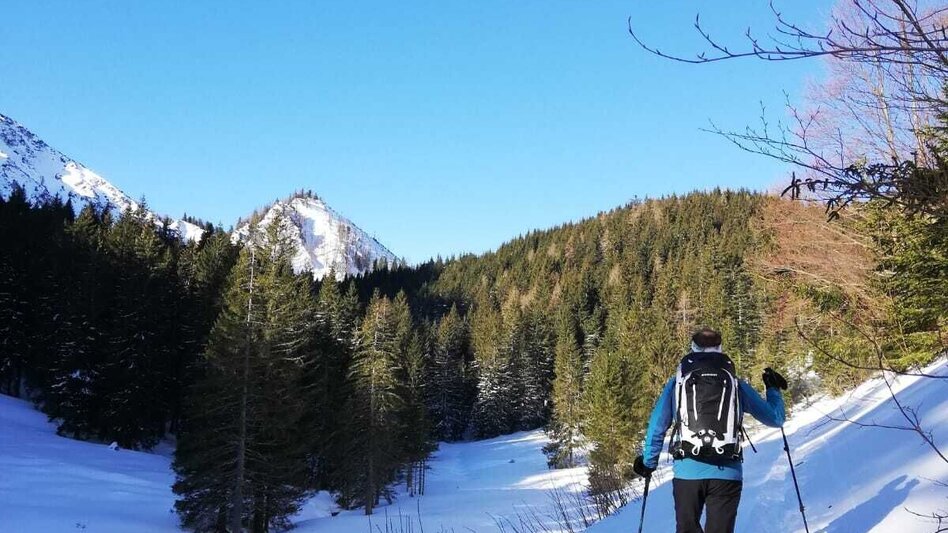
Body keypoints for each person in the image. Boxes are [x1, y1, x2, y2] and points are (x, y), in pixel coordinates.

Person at [632, 327, 788, 533]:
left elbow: (657, 425)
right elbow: (775, 419)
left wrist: (648, 463)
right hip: (727, 473)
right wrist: (773, 389)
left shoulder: (677, 385)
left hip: (687, 473)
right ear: (720, 348)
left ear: (693, 348)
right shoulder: (735, 384)